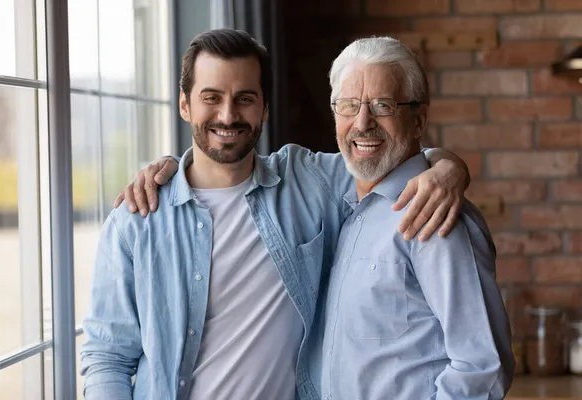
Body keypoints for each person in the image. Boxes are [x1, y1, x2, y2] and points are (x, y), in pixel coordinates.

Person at [83, 29, 469, 400]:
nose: (228, 115)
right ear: (185, 105)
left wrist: (447, 168)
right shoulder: (137, 218)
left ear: (264, 107)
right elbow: (107, 357)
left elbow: (388, 155)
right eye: (211, 97)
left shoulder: (308, 180)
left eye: (245, 98)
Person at [308, 37, 514, 399]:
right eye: (348, 105)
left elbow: (483, 367)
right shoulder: (349, 211)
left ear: (418, 120)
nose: (362, 122)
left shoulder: (434, 215)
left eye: (382, 105)